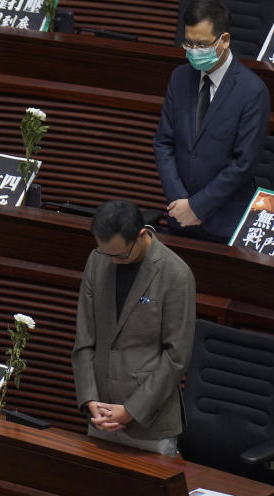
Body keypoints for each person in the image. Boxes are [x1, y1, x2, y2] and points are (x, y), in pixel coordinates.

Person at [71, 200, 196, 456]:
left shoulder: (175, 274)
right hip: (102, 415)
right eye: (106, 253)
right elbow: (85, 338)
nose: (113, 261)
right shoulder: (98, 260)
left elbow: (176, 356)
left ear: (141, 235)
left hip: (150, 422)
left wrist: (131, 410)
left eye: (120, 254)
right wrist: (89, 398)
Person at [152, 0, 269, 243]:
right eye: (189, 43)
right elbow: (164, 142)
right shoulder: (180, 77)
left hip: (224, 224)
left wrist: (197, 207)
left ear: (224, 40)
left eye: (202, 44)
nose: (193, 51)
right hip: (179, 217)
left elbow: (243, 164)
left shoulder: (252, 90)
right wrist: (180, 202)